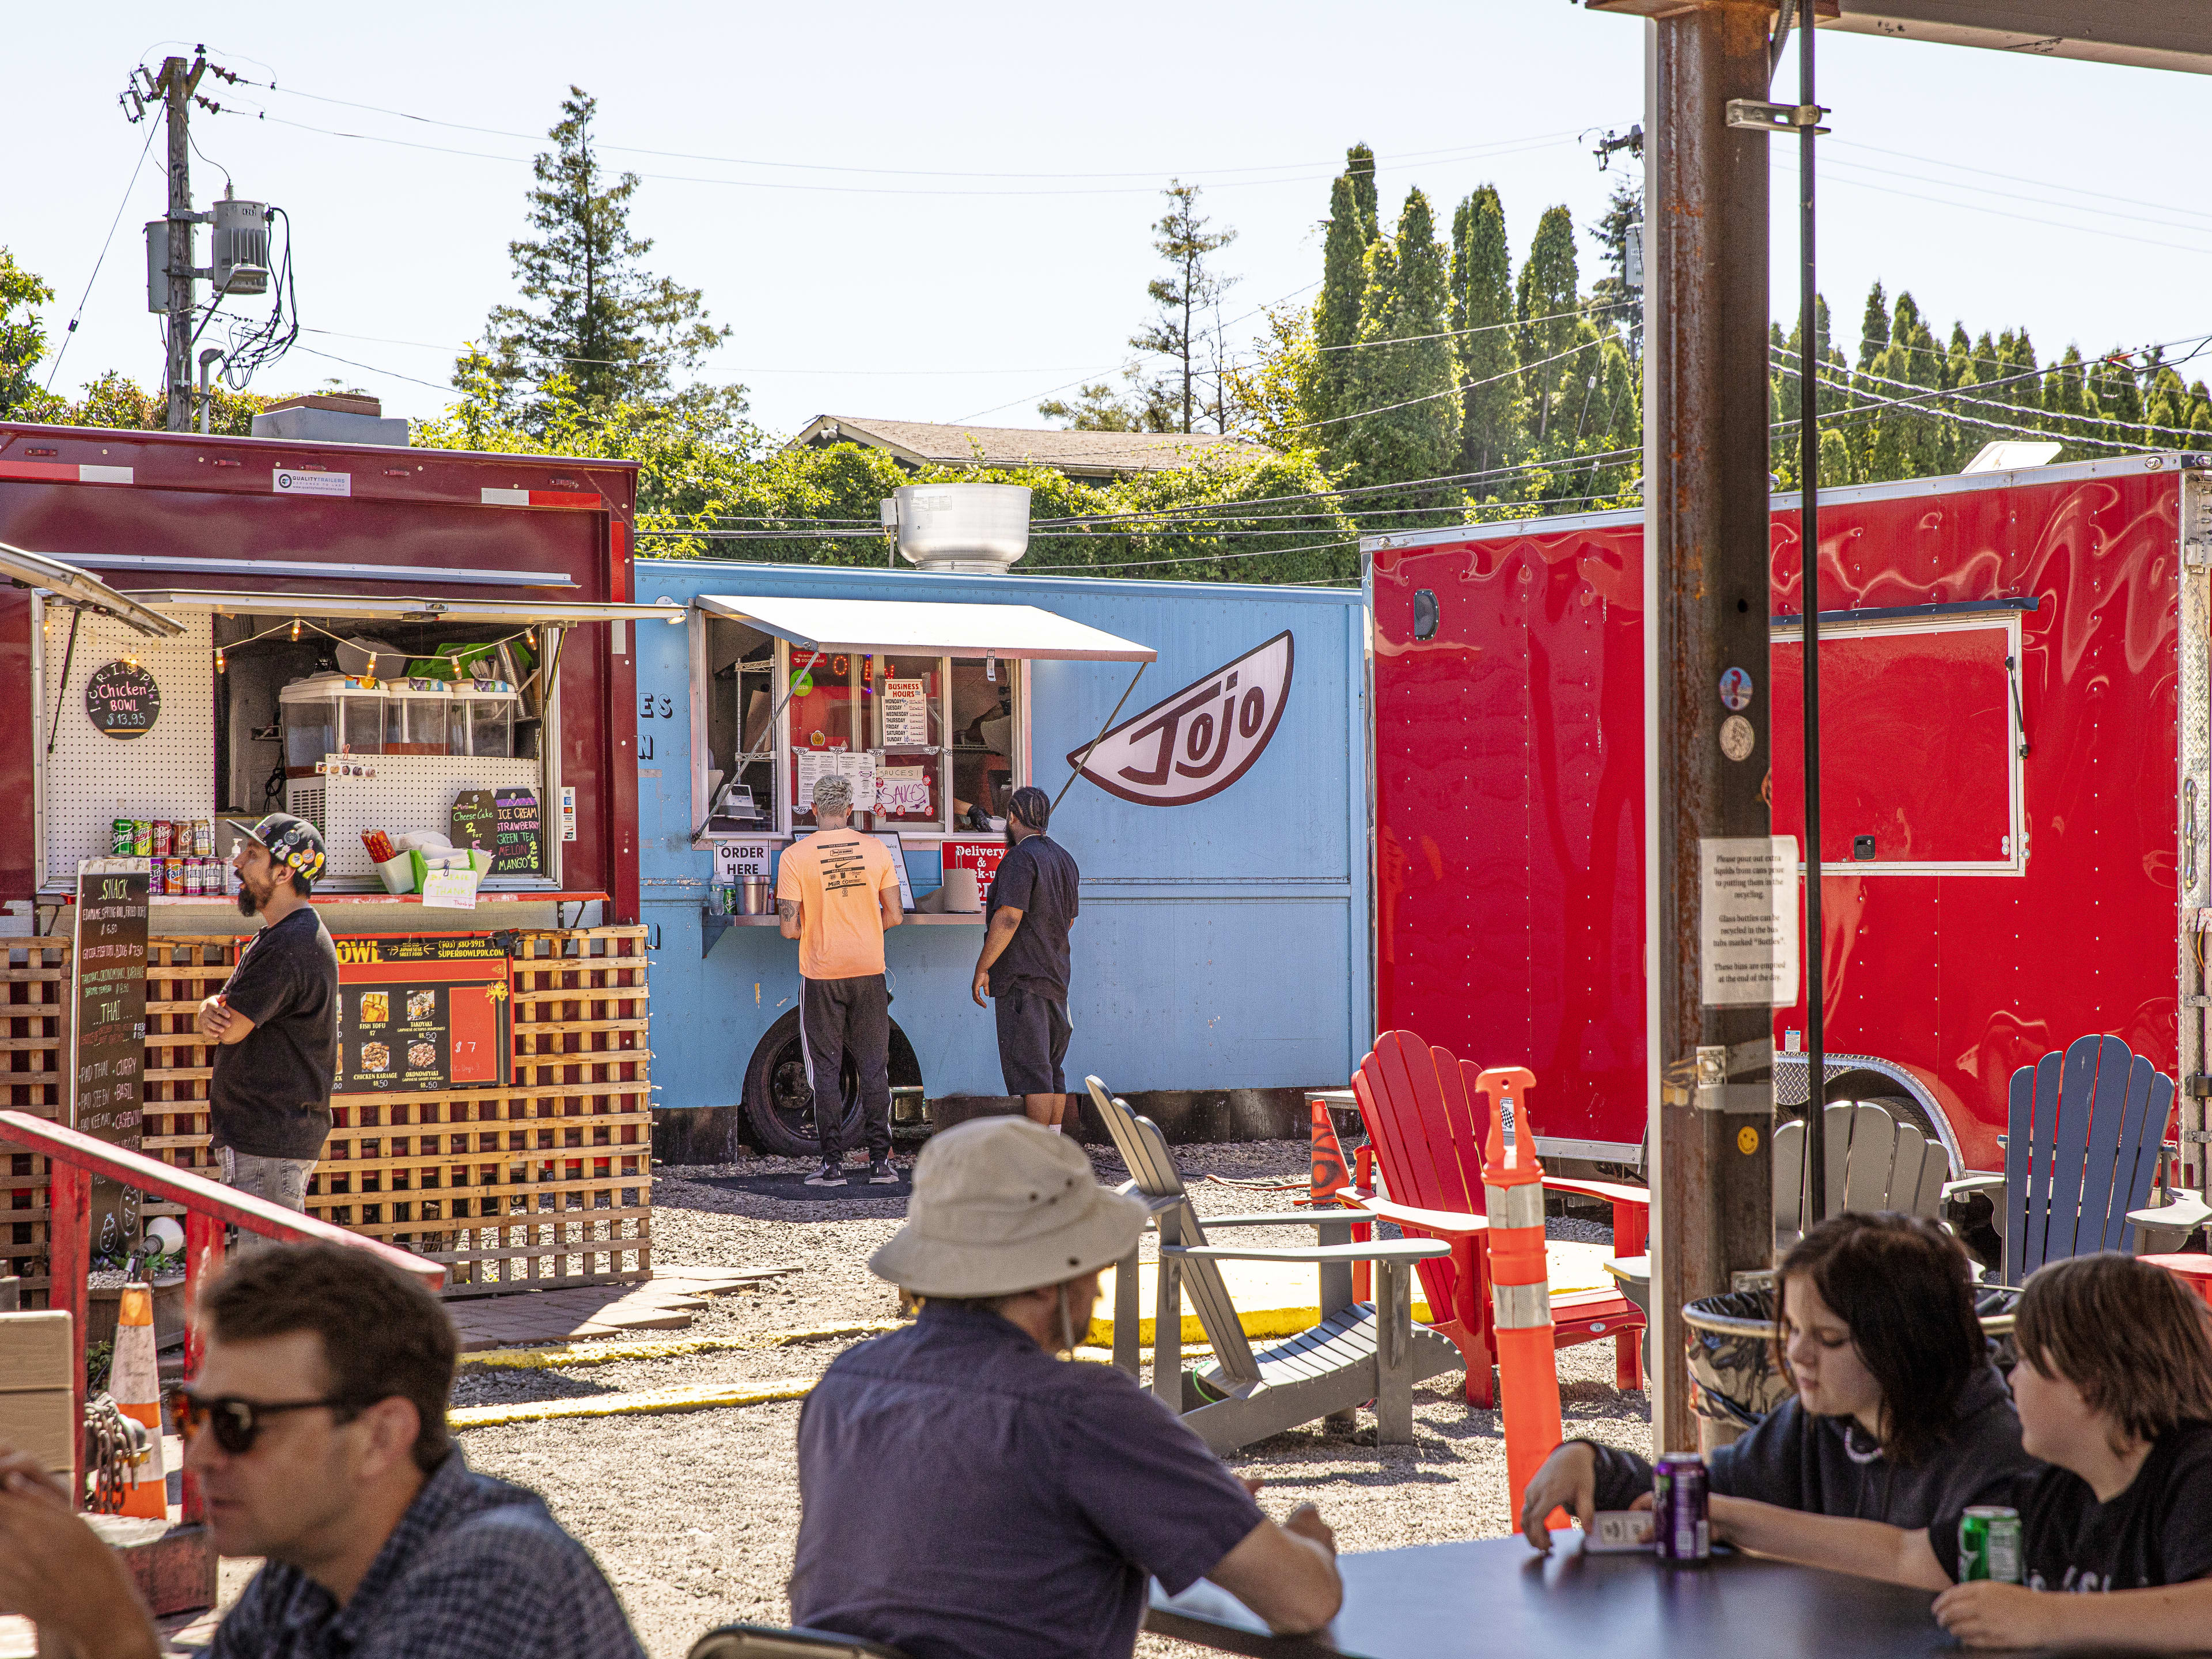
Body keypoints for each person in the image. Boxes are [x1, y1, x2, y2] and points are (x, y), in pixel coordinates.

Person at [789, 1116, 1342, 1659]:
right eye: (1092, 1261)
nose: (1098, 1289)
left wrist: (1174, 1512)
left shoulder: (846, 1384)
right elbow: (1303, 1602)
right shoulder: (1085, 1410)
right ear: (1048, 1279)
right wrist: (1306, 1548)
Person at [0, 1242, 644, 1659]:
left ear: (380, 1438)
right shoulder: (311, 1570)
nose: (196, 1458)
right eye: (192, 1416)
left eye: (238, 1422)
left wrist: (112, 1627)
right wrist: (64, 1609)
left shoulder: (496, 1577)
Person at [1711, 1251, 2212, 1650]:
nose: (2011, 1376)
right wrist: (1723, 1515)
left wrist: (2047, 1618)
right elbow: (1901, 1554)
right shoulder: (2051, 1498)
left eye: (2028, 1362)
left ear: (2090, 1384)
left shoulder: (2194, 1472)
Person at [1522, 1211, 2035, 1549]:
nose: (1797, 1353)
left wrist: (1739, 1520)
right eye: (1790, 1329)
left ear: (1911, 1343)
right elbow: (1702, 1499)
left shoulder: (1994, 1454)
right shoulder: (1819, 1424)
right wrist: (1593, 1465)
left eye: (1830, 1339)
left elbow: (1928, 1571)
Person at [196, 813, 341, 1224]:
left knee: (266, 1280)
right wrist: (207, 1008)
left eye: (253, 853)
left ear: (283, 873)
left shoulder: (291, 944)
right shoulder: (284, 935)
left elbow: (231, 1027)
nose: (238, 862)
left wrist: (214, 1014)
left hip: (270, 1140)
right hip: (268, 1137)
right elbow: (221, 1009)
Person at [777, 774, 903, 1187]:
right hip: (869, 970)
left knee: (825, 1070)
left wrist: (819, 928)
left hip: (822, 973)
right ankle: (881, 1164)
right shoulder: (876, 849)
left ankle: (832, 1166)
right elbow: (896, 915)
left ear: (815, 809)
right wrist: (864, 931)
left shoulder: (796, 856)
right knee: (874, 1068)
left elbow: (789, 929)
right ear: (850, 809)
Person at [971, 785, 1081, 1131]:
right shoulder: (1065, 859)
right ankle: (1052, 1152)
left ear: (1012, 818)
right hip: (1057, 977)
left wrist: (983, 967)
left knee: (1032, 1072)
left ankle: (1038, 1161)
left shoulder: (1019, 858)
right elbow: (1069, 920)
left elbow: (1008, 917)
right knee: (1051, 1069)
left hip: (1023, 980)